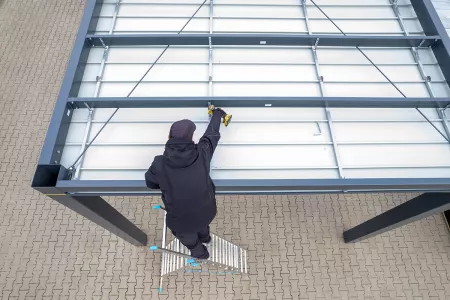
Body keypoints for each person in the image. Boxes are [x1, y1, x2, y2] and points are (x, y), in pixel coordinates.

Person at [145, 107, 229, 259]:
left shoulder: (159, 163)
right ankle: (206, 237)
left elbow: (150, 183)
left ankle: (201, 253)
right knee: (202, 226)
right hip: (206, 213)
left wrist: (168, 183)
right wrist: (217, 114)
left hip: (180, 221)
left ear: (168, 136)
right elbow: (211, 135)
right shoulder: (202, 152)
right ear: (191, 140)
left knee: (190, 240)